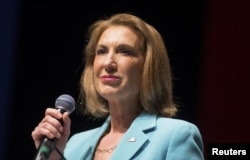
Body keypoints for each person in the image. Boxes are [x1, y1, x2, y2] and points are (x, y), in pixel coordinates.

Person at [31, 12, 204, 160]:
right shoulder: (75, 144)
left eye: (124, 51)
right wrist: (52, 157)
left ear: (148, 66)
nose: (109, 63)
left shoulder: (177, 135)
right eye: (102, 51)